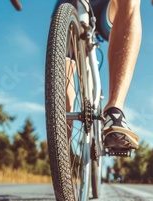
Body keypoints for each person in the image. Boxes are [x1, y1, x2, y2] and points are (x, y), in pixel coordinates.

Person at [56, 0, 143, 150]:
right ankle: (62, 157)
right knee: (63, 80)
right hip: (72, 4)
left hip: (104, 8)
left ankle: (114, 110)